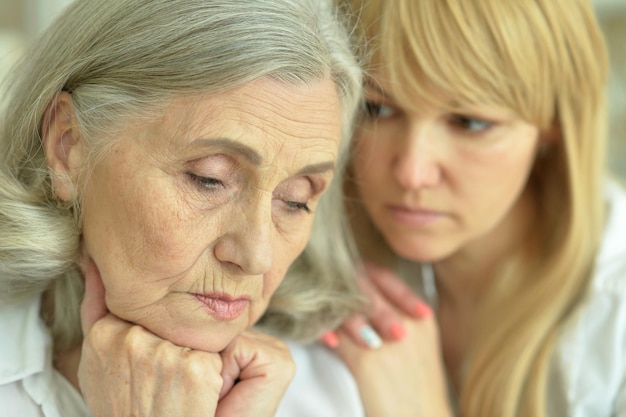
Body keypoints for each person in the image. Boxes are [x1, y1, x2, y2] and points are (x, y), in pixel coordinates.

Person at [0, 0, 364, 416]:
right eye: (209, 179)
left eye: (295, 201)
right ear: (67, 146)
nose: (256, 256)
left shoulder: (339, 393)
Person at [276, 0, 626, 416]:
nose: (412, 171)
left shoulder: (613, 313)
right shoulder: (298, 254)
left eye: (469, 122)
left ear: (553, 125)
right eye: (378, 109)